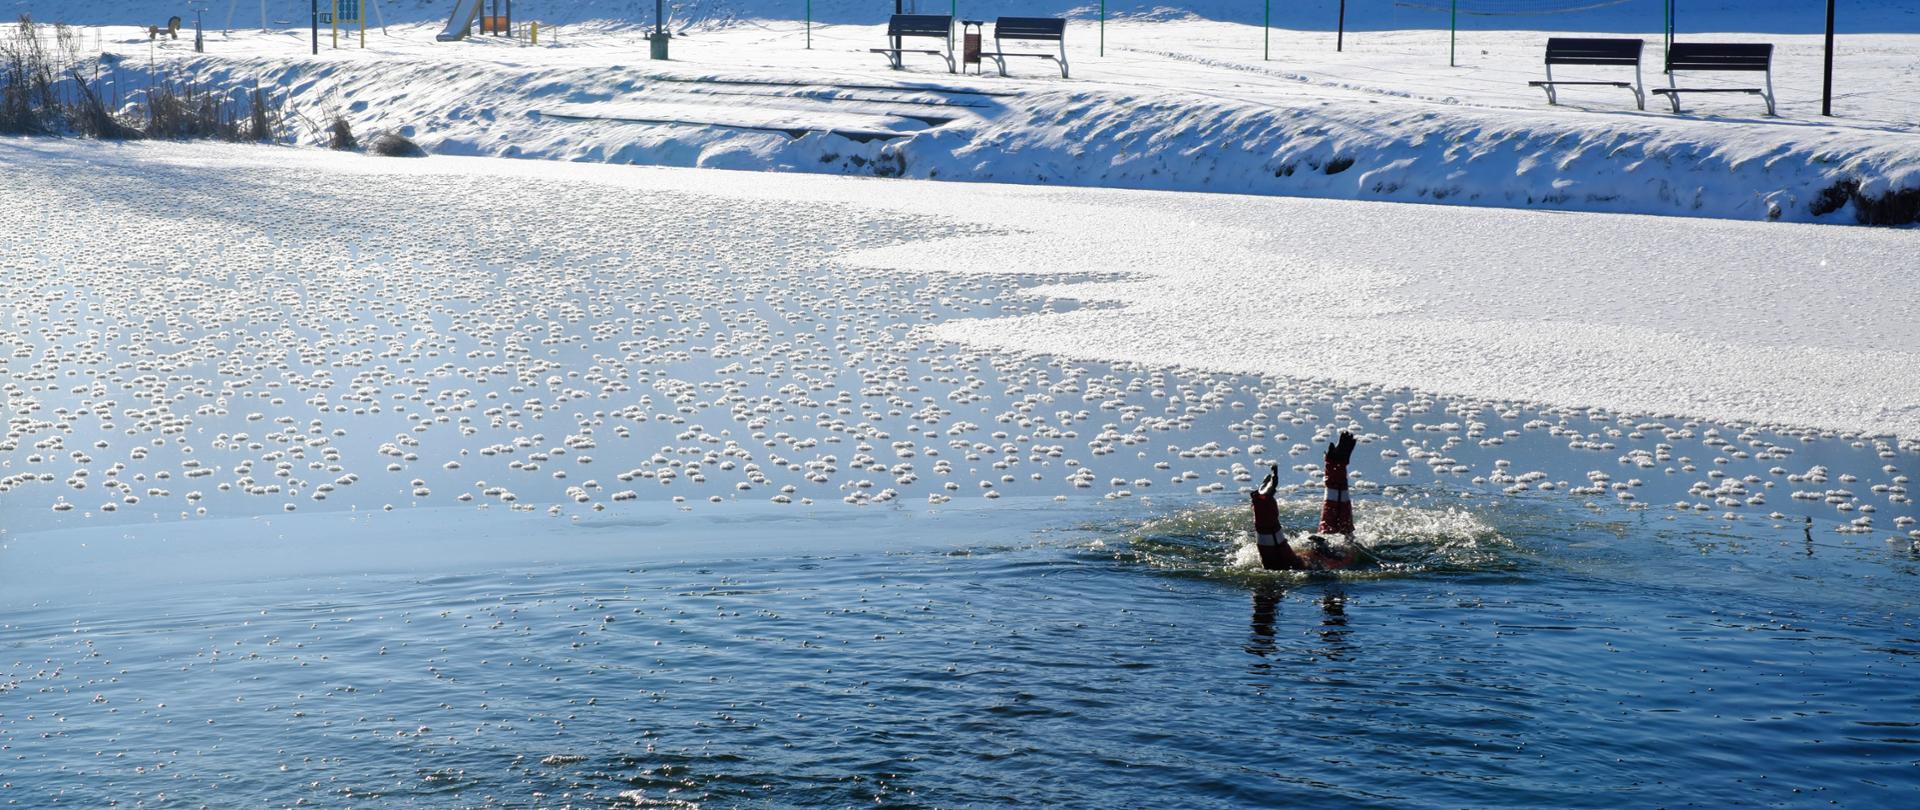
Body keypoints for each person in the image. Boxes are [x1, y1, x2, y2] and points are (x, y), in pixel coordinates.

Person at [1248, 430, 1364, 571]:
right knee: (1340, 537)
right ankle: (1335, 465)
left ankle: (1263, 501)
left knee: (1281, 563)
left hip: (1313, 559)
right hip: (1317, 558)